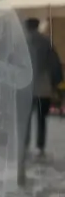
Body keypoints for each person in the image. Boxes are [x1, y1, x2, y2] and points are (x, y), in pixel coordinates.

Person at [24, 18, 63, 156]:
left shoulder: (21, 42)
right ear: (38, 25)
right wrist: (56, 83)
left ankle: (25, 144)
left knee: (25, 118)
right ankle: (40, 146)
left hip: (26, 88)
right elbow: (54, 63)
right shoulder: (47, 42)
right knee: (41, 118)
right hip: (43, 87)